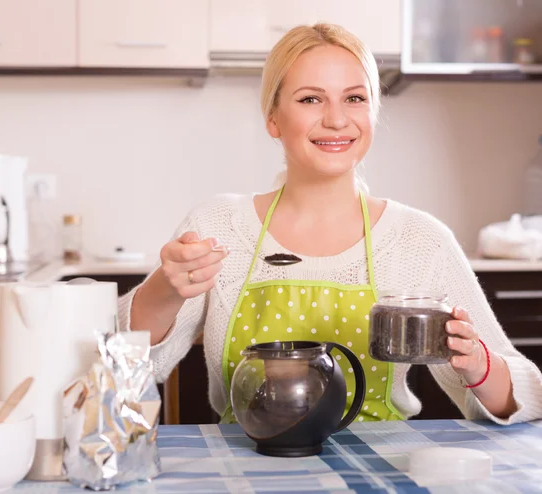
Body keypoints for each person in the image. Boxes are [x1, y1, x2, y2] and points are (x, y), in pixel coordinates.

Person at [119, 23, 542, 424]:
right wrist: (164, 289)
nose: (337, 119)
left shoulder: (420, 241)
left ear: (373, 113)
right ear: (273, 118)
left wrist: (480, 366)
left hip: (379, 466)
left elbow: (527, 397)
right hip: (249, 464)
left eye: (355, 98)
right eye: (310, 99)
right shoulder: (218, 226)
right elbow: (128, 362)